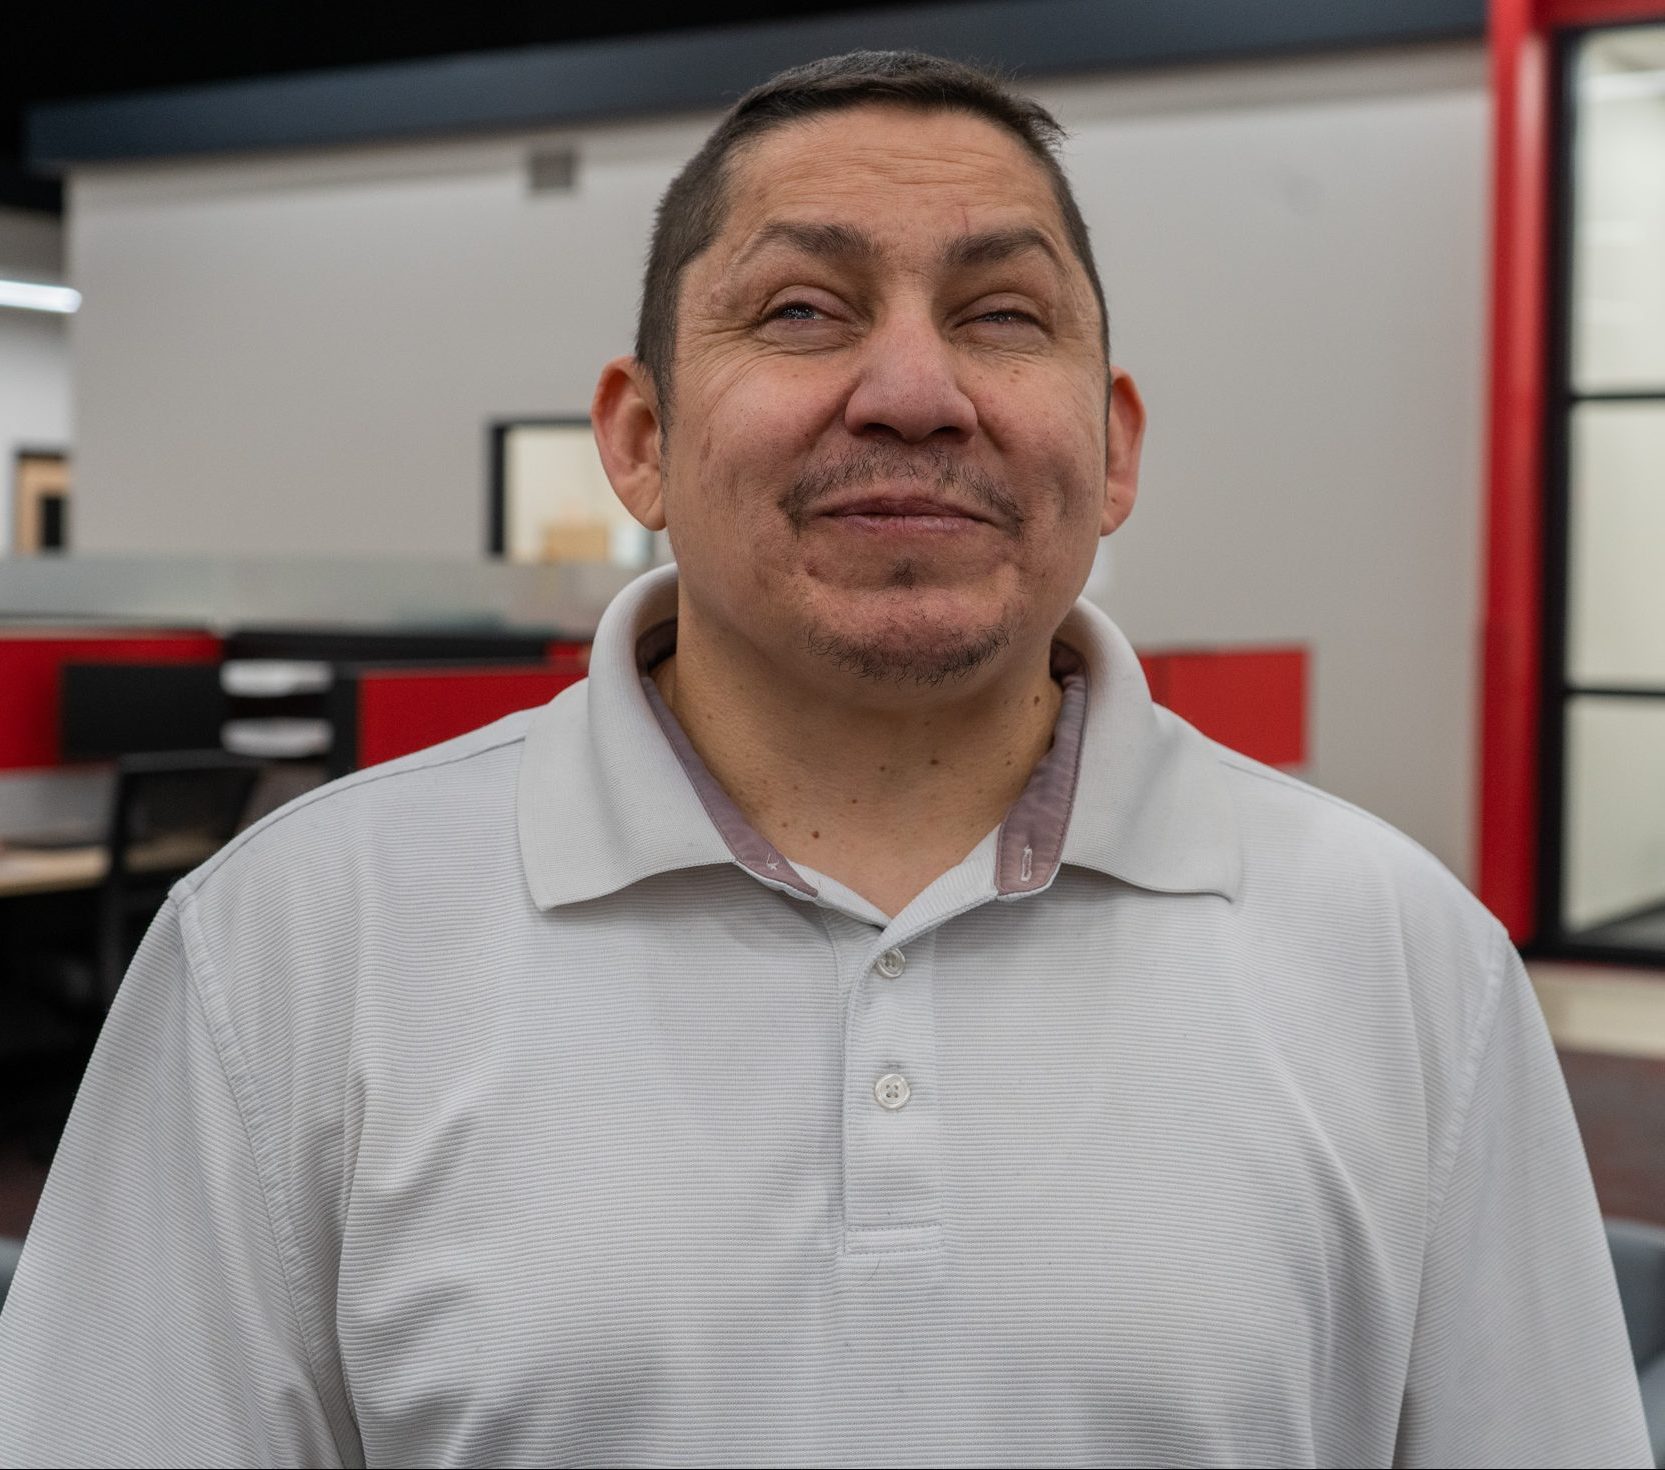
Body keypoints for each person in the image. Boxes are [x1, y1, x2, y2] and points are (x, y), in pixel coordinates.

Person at [0, 50, 1651, 1469]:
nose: (917, 389)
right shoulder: (283, 951)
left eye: (1002, 316)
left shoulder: (1405, 959)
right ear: (638, 439)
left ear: (1112, 443)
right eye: (802, 309)